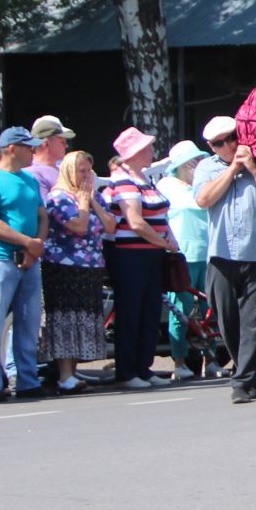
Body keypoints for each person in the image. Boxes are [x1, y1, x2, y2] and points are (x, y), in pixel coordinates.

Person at [193, 115, 256, 404]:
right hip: (222, 255)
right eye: (221, 143)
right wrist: (233, 169)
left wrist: (254, 170)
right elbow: (203, 199)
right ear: (211, 146)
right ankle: (252, 372)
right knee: (226, 320)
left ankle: (242, 382)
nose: (230, 145)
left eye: (233, 137)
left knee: (254, 322)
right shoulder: (207, 167)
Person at [0, 127, 48, 402]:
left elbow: (42, 216)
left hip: (29, 259)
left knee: (28, 323)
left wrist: (35, 245)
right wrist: (27, 243)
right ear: (12, 148)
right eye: (29, 147)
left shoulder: (29, 180)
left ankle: (27, 379)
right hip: (2, 258)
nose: (34, 151)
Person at [106, 127, 181, 389]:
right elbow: (135, 222)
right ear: (135, 153)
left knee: (149, 310)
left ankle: (143, 366)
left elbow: (158, 215)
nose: (151, 151)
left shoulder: (143, 179)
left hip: (150, 253)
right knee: (131, 311)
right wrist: (163, 242)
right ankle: (127, 371)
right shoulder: (124, 180)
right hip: (130, 255)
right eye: (146, 147)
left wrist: (167, 240)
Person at [39, 150, 113, 394]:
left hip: (90, 267)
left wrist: (91, 201)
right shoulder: (58, 197)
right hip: (63, 267)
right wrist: (82, 204)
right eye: (81, 170)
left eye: (88, 170)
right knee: (65, 320)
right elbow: (79, 226)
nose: (86, 175)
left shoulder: (91, 196)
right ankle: (64, 374)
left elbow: (111, 225)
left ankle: (72, 372)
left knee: (82, 319)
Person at [156, 139, 212, 380]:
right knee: (181, 310)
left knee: (209, 312)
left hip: (209, 253)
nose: (197, 165)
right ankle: (179, 362)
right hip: (183, 256)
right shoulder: (166, 185)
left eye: (199, 160)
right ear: (180, 165)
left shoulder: (203, 184)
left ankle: (210, 361)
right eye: (192, 161)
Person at [26, 115, 75, 192]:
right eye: (62, 142)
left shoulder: (62, 170)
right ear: (46, 143)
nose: (66, 146)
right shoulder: (32, 173)